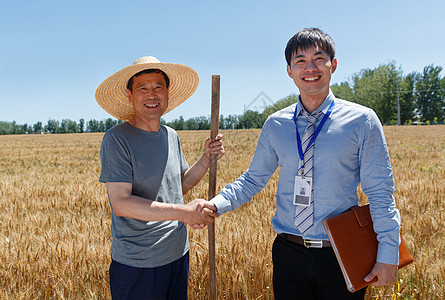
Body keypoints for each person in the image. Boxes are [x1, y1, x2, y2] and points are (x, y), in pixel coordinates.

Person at [208, 28, 401, 299]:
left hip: (342, 255)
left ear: (333, 65)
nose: (310, 67)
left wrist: (388, 253)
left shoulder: (362, 121)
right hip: (289, 255)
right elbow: (253, 179)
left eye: (318, 58)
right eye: (300, 61)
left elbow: (380, 192)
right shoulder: (276, 124)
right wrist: (215, 205)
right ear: (289, 70)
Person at [95, 56, 222, 300]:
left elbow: (178, 186)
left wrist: (206, 158)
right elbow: (121, 203)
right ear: (130, 96)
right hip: (139, 264)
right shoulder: (117, 138)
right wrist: (184, 212)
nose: (151, 94)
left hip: (177, 254)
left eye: (158, 87)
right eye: (142, 88)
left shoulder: (170, 135)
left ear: (167, 93)